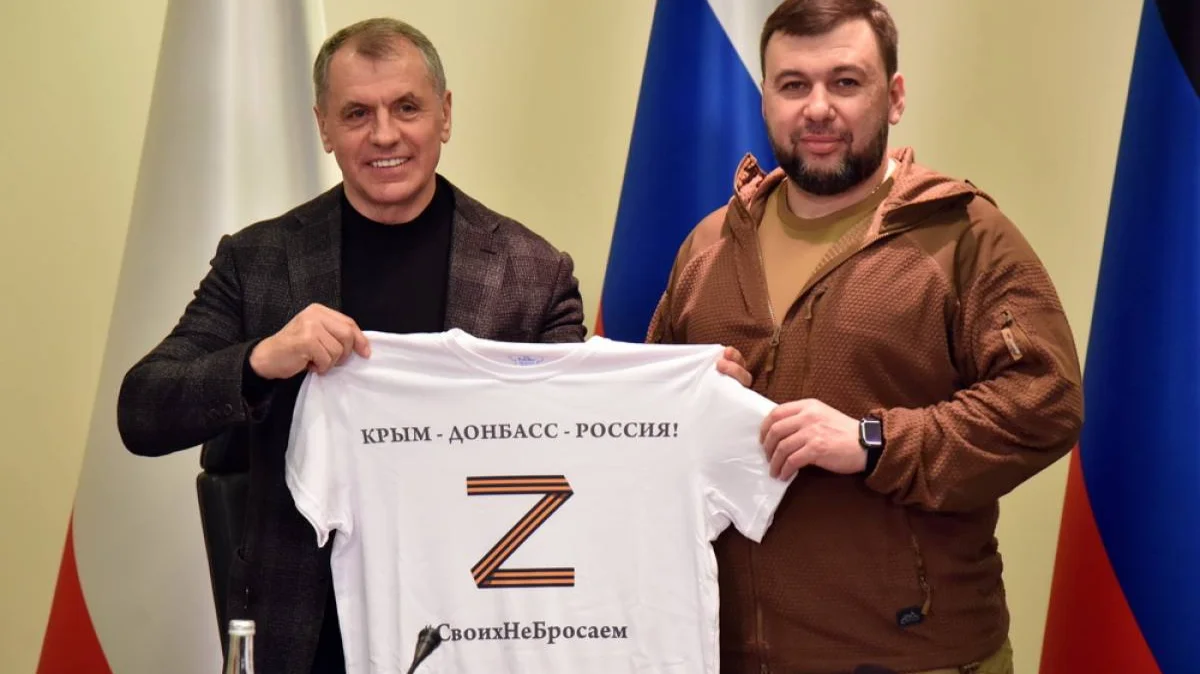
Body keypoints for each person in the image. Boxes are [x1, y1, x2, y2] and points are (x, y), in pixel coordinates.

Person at [115, 17, 589, 674]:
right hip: (306, 631)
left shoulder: (532, 273)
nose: (384, 134)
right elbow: (141, 411)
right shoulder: (259, 261)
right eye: (357, 113)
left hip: (478, 623)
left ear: (445, 115)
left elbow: (578, 448)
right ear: (324, 127)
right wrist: (260, 361)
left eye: (407, 107)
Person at [647, 1, 1084, 673]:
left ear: (895, 96)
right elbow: (645, 431)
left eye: (846, 82)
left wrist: (872, 443)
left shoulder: (963, 235)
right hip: (721, 651)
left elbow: (1045, 403)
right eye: (794, 85)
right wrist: (689, 402)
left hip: (914, 655)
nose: (818, 108)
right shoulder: (708, 247)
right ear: (765, 100)